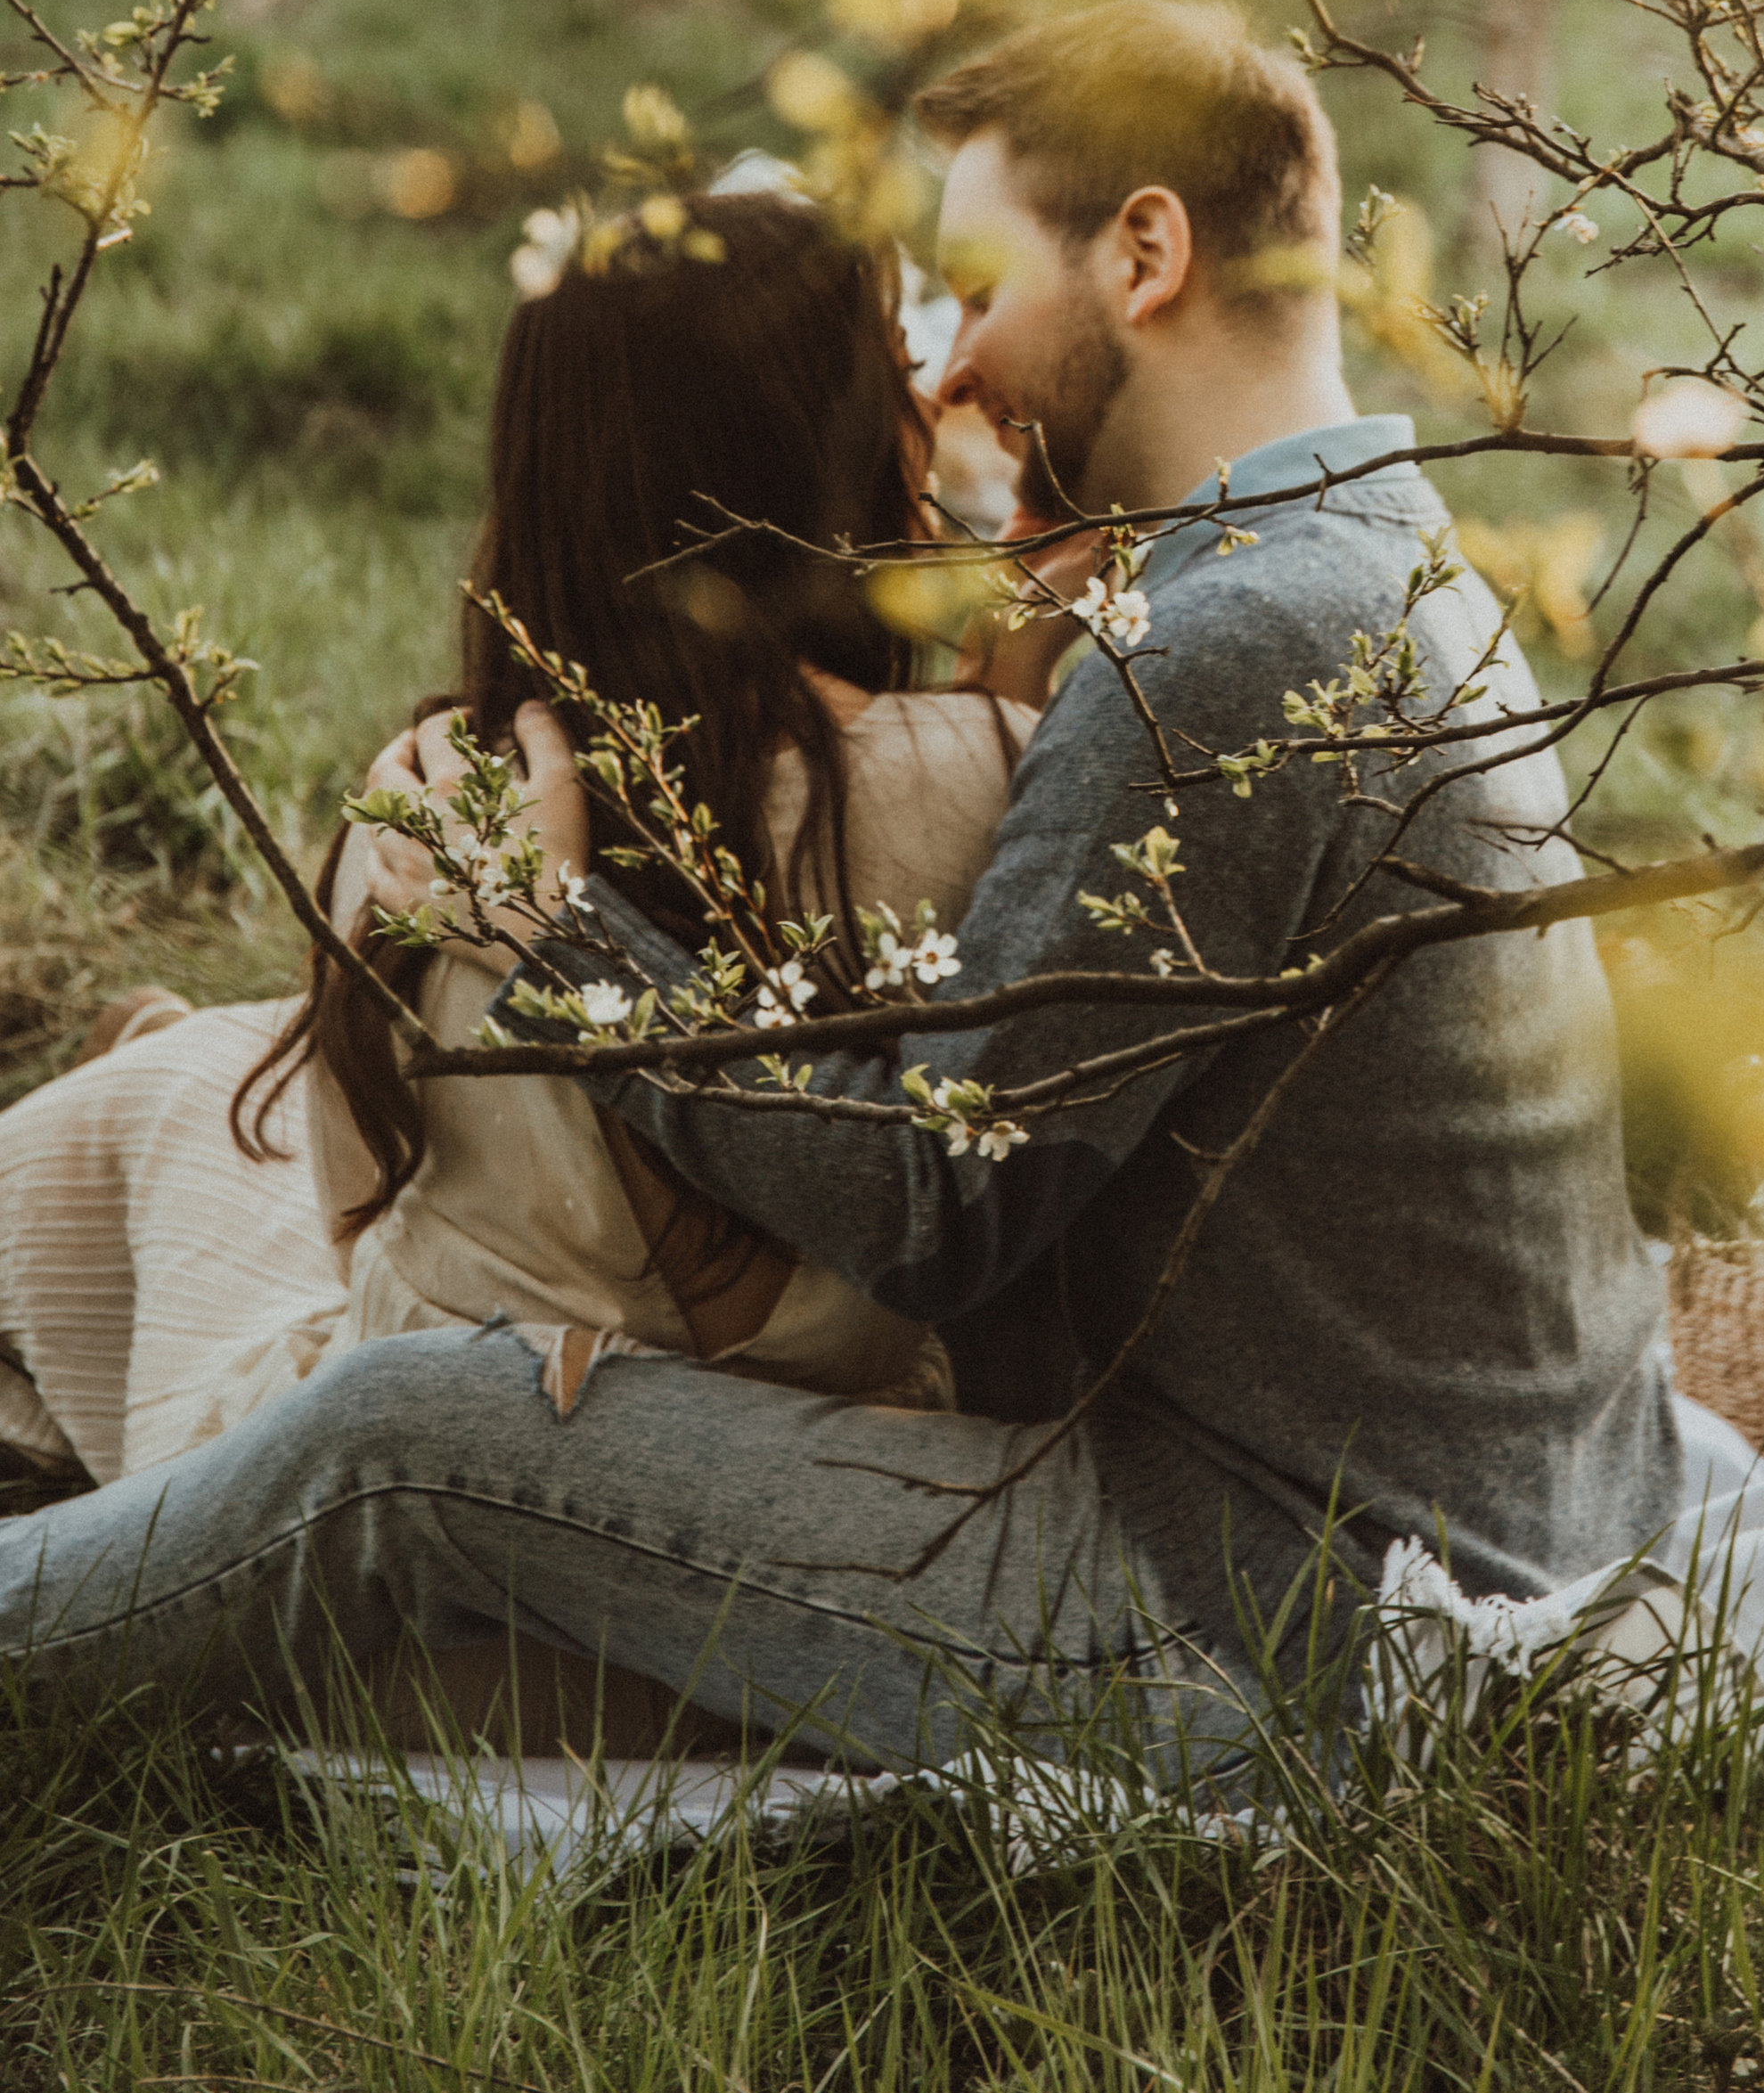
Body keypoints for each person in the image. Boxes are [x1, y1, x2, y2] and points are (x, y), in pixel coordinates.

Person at [0, 0, 1680, 1772]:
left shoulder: (1223, 647)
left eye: (973, 286)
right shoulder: (1380, 557)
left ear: (1144, 249)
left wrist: (559, 932)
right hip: (1438, 1522)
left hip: (1261, 1619)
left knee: (411, 1433)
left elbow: (938, 1207)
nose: (948, 370)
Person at [0, 187, 1033, 1495]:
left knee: (183, 1130)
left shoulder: (432, 814)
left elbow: (356, 1222)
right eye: (899, 373)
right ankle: (155, 1065)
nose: (937, 399)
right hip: (793, 1514)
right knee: (206, 1086)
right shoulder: (988, 780)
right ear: (815, 454)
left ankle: (131, 1110)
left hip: (378, 1524)